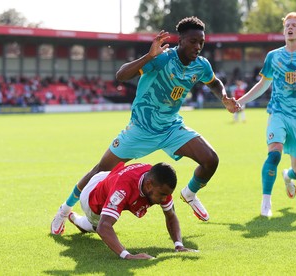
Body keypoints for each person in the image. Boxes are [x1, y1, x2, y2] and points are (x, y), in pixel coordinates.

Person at [51, 16, 240, 235]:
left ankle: (190, 193)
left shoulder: (201, 65)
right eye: (192, 41)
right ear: (181, 40)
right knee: (100, 170)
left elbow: (214, 82)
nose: (197, 46)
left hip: (170, 128)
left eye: (201, 42)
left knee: (211, 160)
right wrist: (149, 56)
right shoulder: (161, 59)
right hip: (141, 129)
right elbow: (121, 75)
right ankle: (64, 211)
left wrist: (224, 98)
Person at [236, 9, 296, 217]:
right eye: (287, 25)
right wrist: (241, 102)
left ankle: (289, 176)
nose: (290, 28)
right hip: (277, 112)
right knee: (274, 154)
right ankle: (266, 203)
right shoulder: (273, 56)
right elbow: (262, 85)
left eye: (295, 25)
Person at [66, 162, 196, 259]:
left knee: (103, 223)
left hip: (110, 179)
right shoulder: (122, 190)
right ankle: (76, 218)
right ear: (149, 185)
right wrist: (127, 256)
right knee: (97, 225)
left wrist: (179, 246)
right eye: (162, 194)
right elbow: (104, 227)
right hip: (92, 198)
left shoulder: (157, 182)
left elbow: (171, 215)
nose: (164, 199)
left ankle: (74, 218)